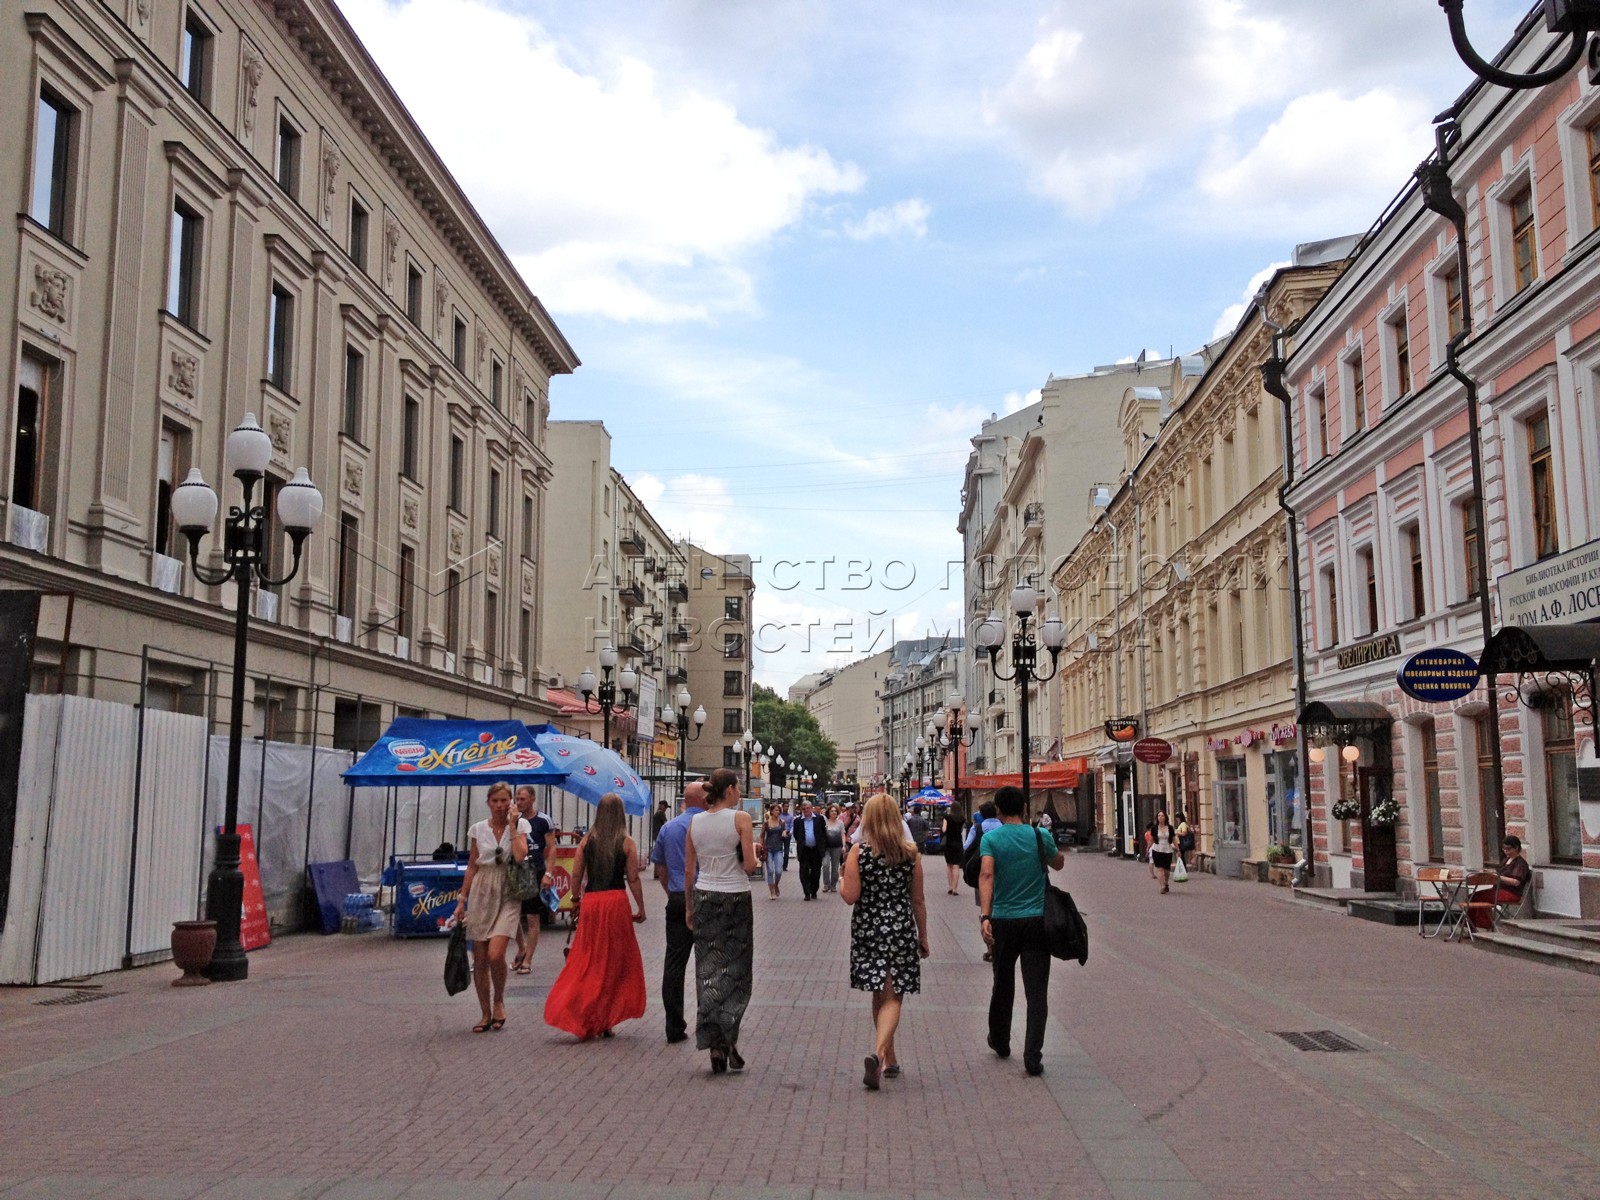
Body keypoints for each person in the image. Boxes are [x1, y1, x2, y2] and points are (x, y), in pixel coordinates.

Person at [841, 793, 930, 1090]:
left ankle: (885, 1057)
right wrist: (923, 935)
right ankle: (882, 1055)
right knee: (893, 995)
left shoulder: (858, 853)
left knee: (879, 992)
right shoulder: (910, 853)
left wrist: (842, 879)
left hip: (868, 928)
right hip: (901, 927)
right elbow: (918, 899)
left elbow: (850, 896)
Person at [543, 793, 647, 1040]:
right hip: (617, 904)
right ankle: (606, 1018)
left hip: (593, 904)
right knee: (614, 962)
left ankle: (582, 1010)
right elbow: (632, 878)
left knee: (589, 958)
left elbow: (576, 874)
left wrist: (577, 900)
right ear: (621, 815)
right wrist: (641, 906)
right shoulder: (627, 842)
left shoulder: (586, 841)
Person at [979, 784, 1065, 1077]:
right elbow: (1059, 863)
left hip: (1002, 920)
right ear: (1025, 809)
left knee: (1002, 984)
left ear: (999, 810)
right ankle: (1032, 1056)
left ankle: (1001, 1041)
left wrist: (985, 916)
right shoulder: (1040, 836)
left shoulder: (990, 839)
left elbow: (987, 874)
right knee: (1036, 991)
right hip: (1037, 921)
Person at [685, 768, 760, 1073]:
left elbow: (690, 871)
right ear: (729, 789)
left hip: (704, 897)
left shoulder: (695, 821)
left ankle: (716, 1042)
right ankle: (727, 1038)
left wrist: (689, 907)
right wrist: (753, 852)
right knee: (737, 973)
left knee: (707, 970)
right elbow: (750, 867)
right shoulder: (740, 819)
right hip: (735, 900)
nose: (740, 792)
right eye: (738, 787)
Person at [451, 781, 528, 1033]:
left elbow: (519, 856)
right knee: (481, 957)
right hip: (482, 889)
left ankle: (499, 1000)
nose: (500, 806)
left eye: (504, 800)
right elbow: (473, 865)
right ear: (488, 803)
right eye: (495, 801)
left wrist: (514, 826)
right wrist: (462, 900)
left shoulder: (520, 825)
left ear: (511, 802)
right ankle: (485, 1012)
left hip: (508, 889)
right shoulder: (478, 829)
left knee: (496, 954)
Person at [649, 778, 708, 1044]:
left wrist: (673, 892)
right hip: (708, 898)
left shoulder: (669, 828)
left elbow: (659, 867)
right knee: (709, 963)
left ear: (685, 801)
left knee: (674, 963)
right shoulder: (710, 826)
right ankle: (709, 1021)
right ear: (704, 800)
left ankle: (674, 1025)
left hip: (677, 899)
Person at [511, 785, 555, 976]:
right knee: (512, 914)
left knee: (532, 916)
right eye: (517, 799)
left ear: (532, 799)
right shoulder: (514, 819)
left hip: (534, 870)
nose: (519, 802)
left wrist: (549, 873)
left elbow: (552, 848)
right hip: (515, 871)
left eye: (522, 799)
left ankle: (528, 959)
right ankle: (522, 949)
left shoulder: (543, 820)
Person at [1469, 835, 1532, 929]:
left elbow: (1516, 882)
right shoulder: (1505, 860)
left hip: (1512, 893)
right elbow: (1498, 873)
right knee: (1472, 896)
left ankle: (1483, 925)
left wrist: (1498, 877)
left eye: (1508, 849)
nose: (1506, 851)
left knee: (1478, 897)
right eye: (1504, 849)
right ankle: (1472, 926)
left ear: (1517, 848)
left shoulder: (1520, 863)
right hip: (1498, 890)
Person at [793, 799, 828, 900]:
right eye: (804, 808)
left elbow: (823, 833)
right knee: (804, 872)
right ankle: (807, 892)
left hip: (816, 849)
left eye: (808, 808)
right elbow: (796, 834)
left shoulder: (819, 819)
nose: (806, 810)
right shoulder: (798, 821)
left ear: (811, 808)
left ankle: (814, 891)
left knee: (816, 872)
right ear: (801, 809)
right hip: (804, 850)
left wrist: (822, 846)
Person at [940, 804, 967, 895]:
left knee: (949, 865)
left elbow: (944, 829)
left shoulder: (947, 817)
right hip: (958, 843)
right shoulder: (962, 819)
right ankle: (955, 888)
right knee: (956, 866)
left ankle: (950, 886)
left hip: (949, 843)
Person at [761, 807, 786, 899]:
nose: (778, 812)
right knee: (770, 871)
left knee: (779, 871)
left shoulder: (781, 822)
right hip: (768, 849)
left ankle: (776, 885)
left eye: (779, 810)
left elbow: (784, 832)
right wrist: (761, 846)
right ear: (771, 811)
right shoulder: (766, 823)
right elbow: (762, 835)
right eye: (776, 810)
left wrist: (785, 834)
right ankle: (772, 892)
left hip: (778, 848)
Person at [1149, 810, 1177, 894]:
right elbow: (1152, 839)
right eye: (1159, 816)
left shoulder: (1170, 828)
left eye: (1162, 816)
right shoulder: (1154, 828)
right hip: (1157, 849)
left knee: (1167, 870)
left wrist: (1177, 849)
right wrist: (1148, 848)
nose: (1160, 817)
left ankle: (1166, 883)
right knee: (1160, 868)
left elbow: (1173, 839)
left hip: (1167, 850)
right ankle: (1162, 886)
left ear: (1165, 817)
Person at [822, 804, 848, 893]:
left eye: (835, 811)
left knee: (835, 866)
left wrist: (844, 846)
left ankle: (833, 885)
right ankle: (826, 884)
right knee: (825, 864)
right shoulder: (824, 822)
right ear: (828, 813)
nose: (833, 813)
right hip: (826, 847)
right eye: (832, 811)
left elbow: (843, 834)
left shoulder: (840, 823)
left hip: (837, 847)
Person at [779, 804, 795, 871]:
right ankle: (779, 864)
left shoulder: (790, 816)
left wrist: (791, 831)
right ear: (782, 807)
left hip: (788, 834)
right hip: (780, 833)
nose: (786, 808)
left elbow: (792, 825)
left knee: (786, 851)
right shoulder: (779, 815)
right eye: (785, 806)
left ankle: (784, 866)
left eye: (787, 806)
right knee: (779, 850)